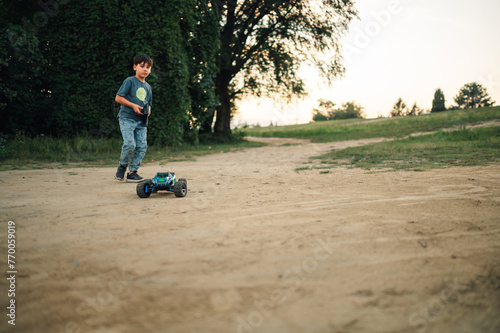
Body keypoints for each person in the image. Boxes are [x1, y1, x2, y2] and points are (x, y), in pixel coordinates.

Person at [114, 54, 153, 182]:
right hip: (127, 118)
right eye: (142, 66)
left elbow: (148, 102)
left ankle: (132, 172)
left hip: (141, 121)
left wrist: (148, 110)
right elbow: (118, 98)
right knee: (130, 144)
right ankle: (122, 167)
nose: (145, 69)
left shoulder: (148, 87)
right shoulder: (129, 81)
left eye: (148, 67)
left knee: (142, 146)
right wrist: (132, 105)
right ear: (134, 67)